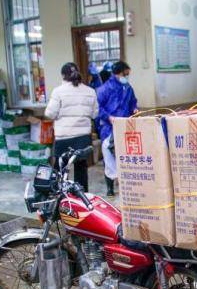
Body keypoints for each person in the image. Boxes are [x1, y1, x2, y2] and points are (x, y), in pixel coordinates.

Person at [45, 62, 98, 192]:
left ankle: (59, 197)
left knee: (60, 169)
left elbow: (50, 113)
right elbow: (95, 114)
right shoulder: (90, 91)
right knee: (81, 167)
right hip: (83, 137)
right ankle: (82, 197)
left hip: (64, 136)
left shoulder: (58, 92)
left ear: (63, 75)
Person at [96, 60, 137, 196]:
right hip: (109, 128)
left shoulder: (128, 88)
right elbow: (98, 108)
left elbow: (132, 103)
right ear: (119, 73)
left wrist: (135, 109)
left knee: (124, 156)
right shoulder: (105, 89)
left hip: (124, 126)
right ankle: (110, 187)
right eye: (126, 74)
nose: (127, 76)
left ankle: (126, 185)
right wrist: (108, 117)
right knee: (108, 155)